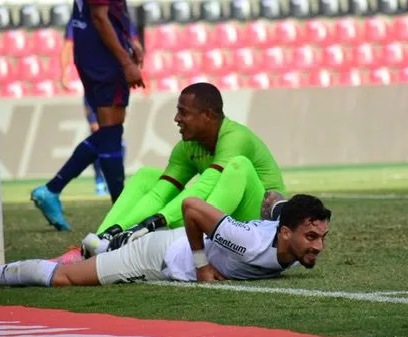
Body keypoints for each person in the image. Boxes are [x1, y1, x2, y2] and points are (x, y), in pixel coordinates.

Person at [0, 193, 331, 292]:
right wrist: (203, 264)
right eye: (311, 236)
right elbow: (191, 206)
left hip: (168, 251)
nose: (317, 246)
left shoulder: (291, 240)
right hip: (158, 256)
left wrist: (276, 202)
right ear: (285, 233)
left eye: (322, 237)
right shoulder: (247, 241)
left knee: (93, 259)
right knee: (65, 280)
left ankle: (103, 246)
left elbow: (279, 209)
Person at [81, 82, 286, 257]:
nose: (176, 118)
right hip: (221, 222)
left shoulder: (236, 137)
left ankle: (191, 239)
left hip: (259, 229)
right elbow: (159, 195)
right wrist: (120, 228)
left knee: (237, 166)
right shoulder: (186, 146)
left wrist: (153, 222)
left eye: (184, 112)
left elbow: (205, 186)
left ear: (208, 115)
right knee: (148, 176)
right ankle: (101, 240)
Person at [31, 0, 145, 231]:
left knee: (108, 132)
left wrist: (131, 42)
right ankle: (120, 213)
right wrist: (125, 61)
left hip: (95, 54)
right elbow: (100, 17)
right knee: (112, 132)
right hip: (104, 57)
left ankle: (52, 190)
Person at [60, 18, 143, 196]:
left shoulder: (120, 15)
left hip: (112, 78)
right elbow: (69, 43)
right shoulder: (92, 13)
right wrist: (64, 71)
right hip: (100, 78)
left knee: (112, 134)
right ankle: (101, 180)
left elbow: (134, 41)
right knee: (103, 132)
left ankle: (111, 182)